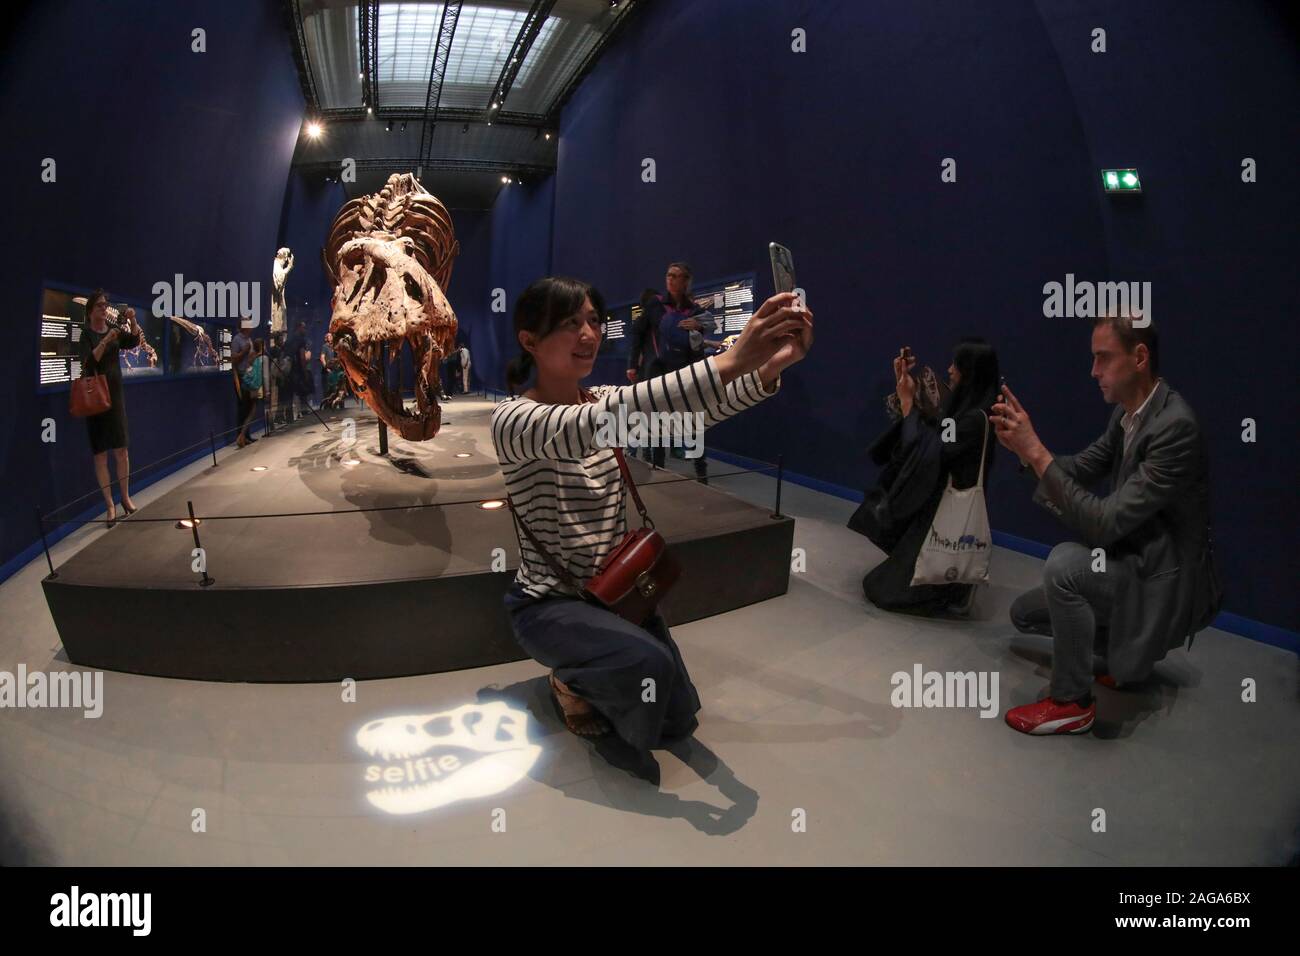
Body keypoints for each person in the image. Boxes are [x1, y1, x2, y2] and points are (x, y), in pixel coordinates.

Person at [493, 276, 812, 760]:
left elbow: (685, 419)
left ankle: (598, 663)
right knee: (645, 665)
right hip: (548, 604)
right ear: (529, 340)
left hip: (614, 592)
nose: (588, 334)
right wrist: (731, 359)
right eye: (569, 323)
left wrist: (772, 366)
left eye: (594, 321)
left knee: (677, 718)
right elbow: (593, 426)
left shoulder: (598, 399)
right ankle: (569, 676)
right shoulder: (514, 419)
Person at [993, 314, 1221, 736]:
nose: (1093, 371)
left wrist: (1038, 454)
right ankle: (1122, 659)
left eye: (1102, 358)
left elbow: (1104, 525)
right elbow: (1080, 468)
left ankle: (1072, 703)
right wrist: (1026, 452)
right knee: (1024, 614)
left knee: (1064, 565)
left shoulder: (1176, 427)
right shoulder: (1128, 414)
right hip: (1134, 562)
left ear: (1139, 357)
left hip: (1162, 585)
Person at [859, 339, 1000, 616]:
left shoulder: (974, 420)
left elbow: (926, 451)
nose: (949, 370)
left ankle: (954, 585)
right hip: (934, 504)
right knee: (879, 581)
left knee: (883, 591)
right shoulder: (973, 410)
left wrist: (908, 401)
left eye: (955, 366)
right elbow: (934, 429)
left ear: (968, 372)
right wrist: (904, 383)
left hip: (943, 510)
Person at [629, 263, 713, 479]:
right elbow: (637, 333)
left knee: (693, 422)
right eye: (669, 275)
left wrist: (697, 324)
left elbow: (707, 327)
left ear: (687, 281)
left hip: (687, 373)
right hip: (657, 372)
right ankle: (656, 470)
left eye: (677, 276)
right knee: (656, 423)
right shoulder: (655, 305)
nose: (672, 280)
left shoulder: (696, 311)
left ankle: (701, 474)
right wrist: (633, 364)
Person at [77, 290, 140, 525]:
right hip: (95, 400)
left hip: (115, 397)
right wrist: (106, 340)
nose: (104, 309)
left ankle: (124, 497)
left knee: (121, 450)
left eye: (106, 305)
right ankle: (109, 505)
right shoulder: (86, 334)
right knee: (101, 455)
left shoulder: (115, 329)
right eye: (100, 306)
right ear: (91, 310)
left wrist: (133, 319)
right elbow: (89, 361)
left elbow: (133, 340)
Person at [232, 319, 256, 447]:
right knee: (243, 407)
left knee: (250, 406)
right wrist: (244, 352)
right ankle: (240, 436)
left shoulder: (249, 339)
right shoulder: (237, 340)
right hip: (241, 376)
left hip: (249, 375)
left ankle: (246, 435)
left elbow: (251, 357)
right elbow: (234, 359)